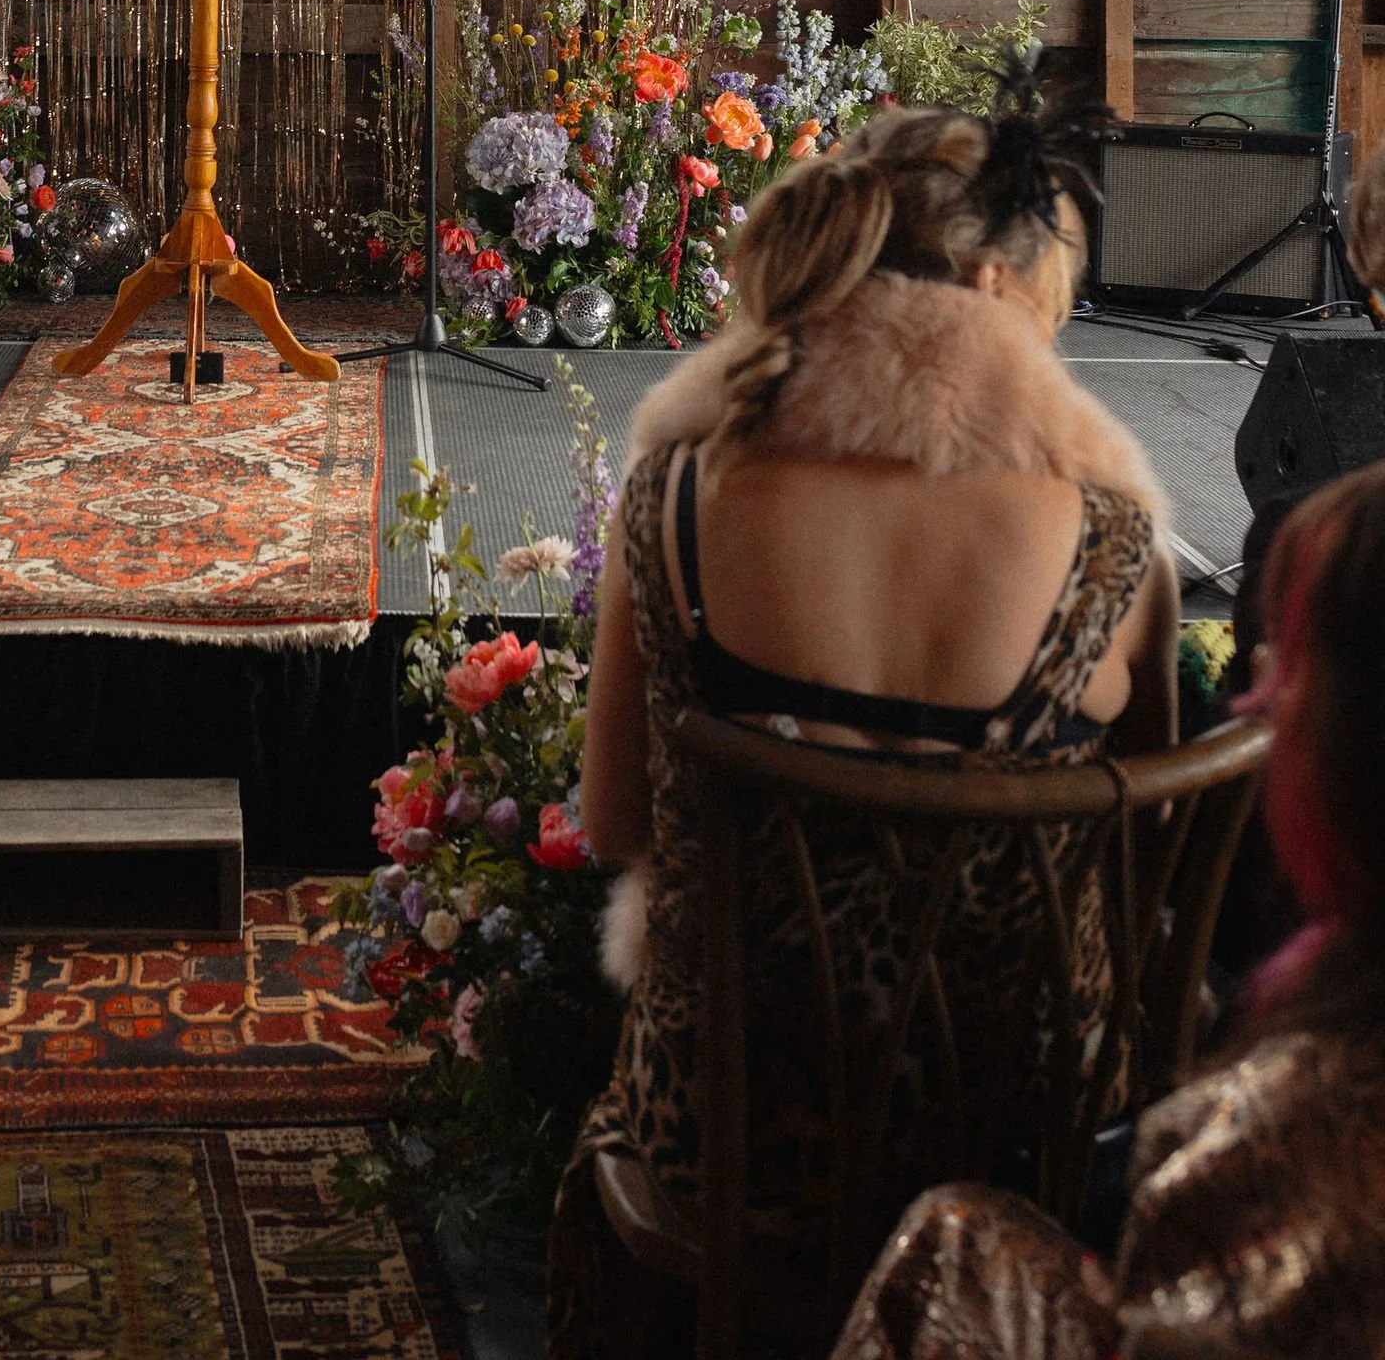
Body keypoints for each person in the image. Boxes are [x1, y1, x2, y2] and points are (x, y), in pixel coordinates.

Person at [550, 83, 1179, 1360]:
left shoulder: (676, 491)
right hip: (1030, 1152)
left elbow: (612, 818)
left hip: (731, 1139)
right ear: (1004, 290)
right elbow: (1144, 859)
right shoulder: (1117, 542)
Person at [830, 455, 1385, 1360]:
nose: (1257, 698)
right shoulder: (1120, 542)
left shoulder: (1269, 1146)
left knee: (946, 1243)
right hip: (1092, 1087)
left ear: (1349, 766)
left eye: (1289, 682)